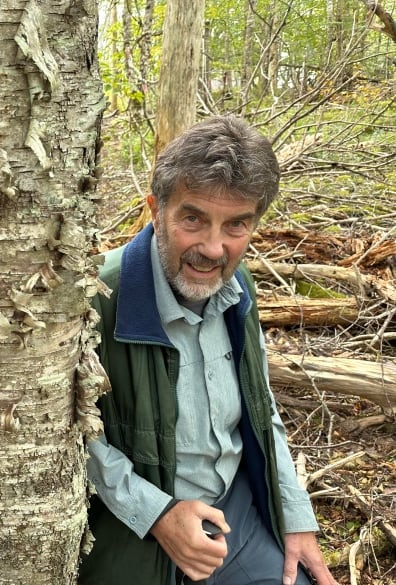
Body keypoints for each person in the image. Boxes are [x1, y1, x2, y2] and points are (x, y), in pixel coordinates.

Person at [79, 116, 338, 585]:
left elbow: (263, 409)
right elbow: (67, 435)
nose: (213, 248)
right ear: (155, 210)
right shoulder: (96, 296)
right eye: (193, 219)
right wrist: (157, 514)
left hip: (234, 516)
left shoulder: (239, 291)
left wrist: (295, 516)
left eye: (236, 225)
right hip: (132, 527)